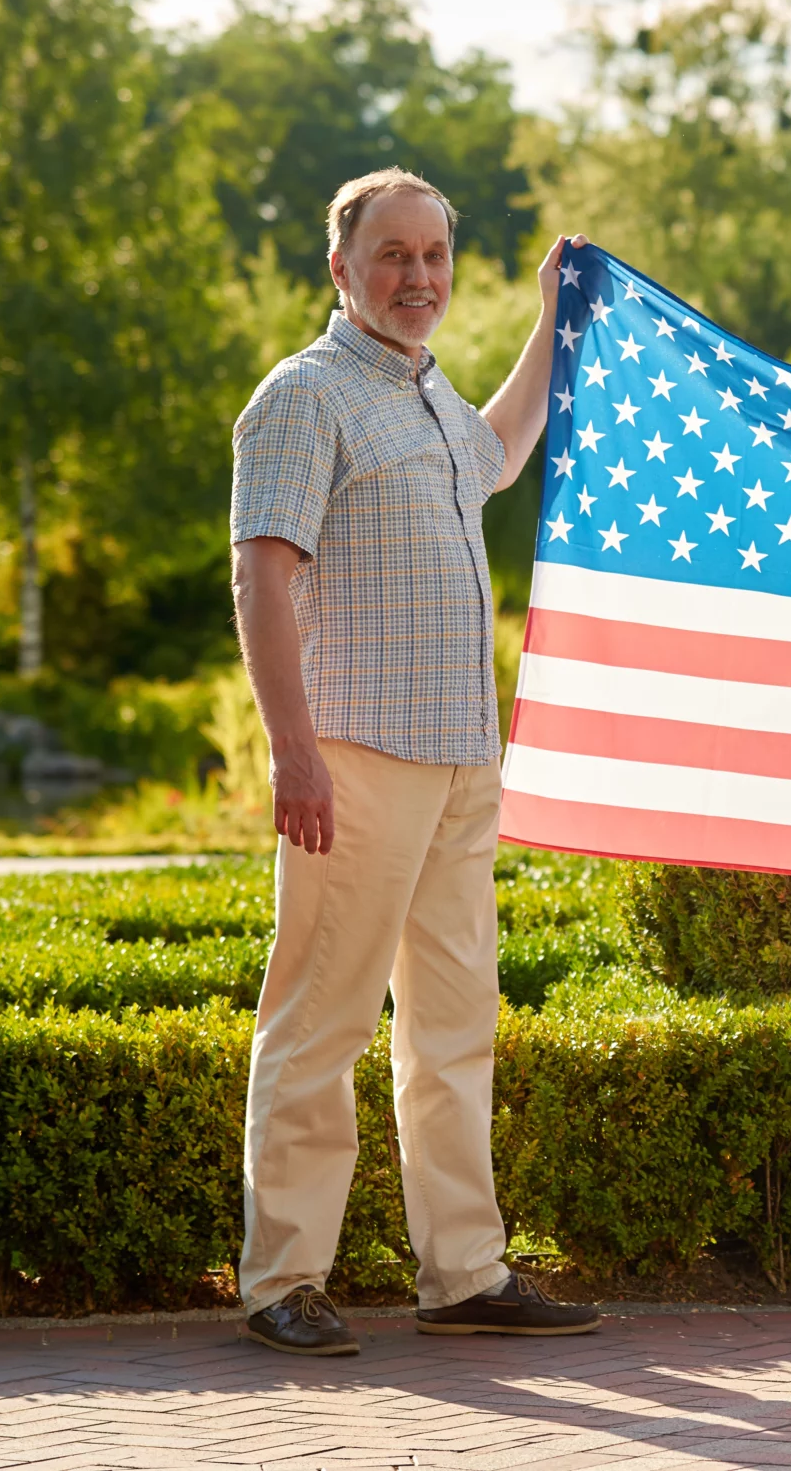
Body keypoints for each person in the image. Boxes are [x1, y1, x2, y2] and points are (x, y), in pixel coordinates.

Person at [227, 168, 601, 1355]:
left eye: (434, 255)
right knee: (319, 1018)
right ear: (340, 269)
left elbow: (494, 457)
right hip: (352, 754)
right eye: (393, 255)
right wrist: (294, 754)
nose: (418, 277)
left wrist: (554, 319)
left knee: (455, 1023)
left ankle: (464, 1271)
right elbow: (260, 577)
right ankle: (282, 1276)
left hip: (457, 758)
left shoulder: (432, 398)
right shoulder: (304, 396)